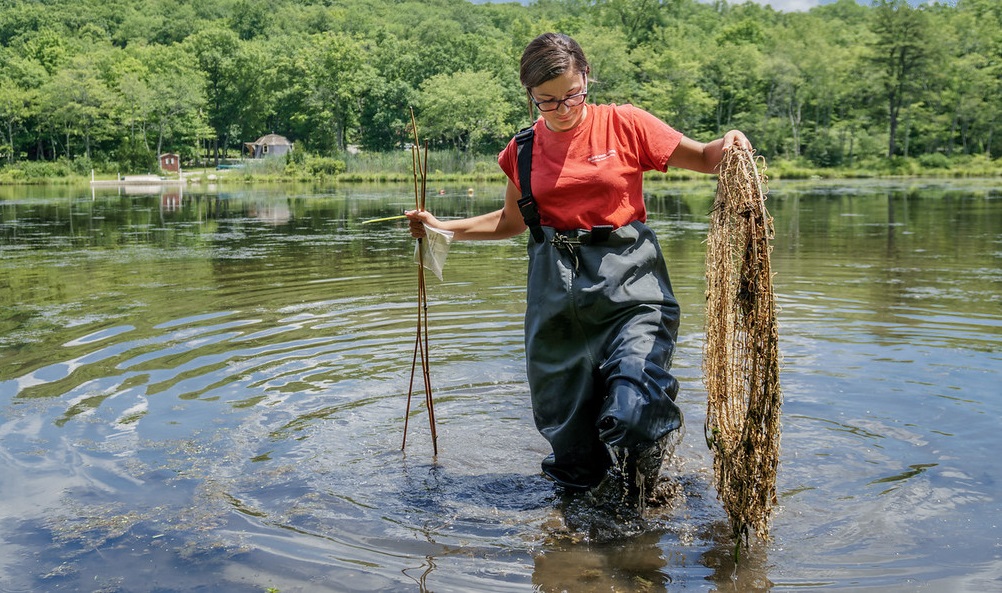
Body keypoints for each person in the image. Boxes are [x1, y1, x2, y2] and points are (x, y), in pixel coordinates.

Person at [406, 32, 752, 501]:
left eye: (572, 94)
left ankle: (645, 493)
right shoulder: (522, 150)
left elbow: (705, 158)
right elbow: (511, 221)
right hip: (555, 298)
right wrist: (443, 226)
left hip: (631, 286)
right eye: (547, 101)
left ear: (586, 77)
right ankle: (584, 510)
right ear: (529, 95)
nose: (563, 108)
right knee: (571, 443)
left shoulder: (627, 124)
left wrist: (729, 143)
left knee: (635, 403)